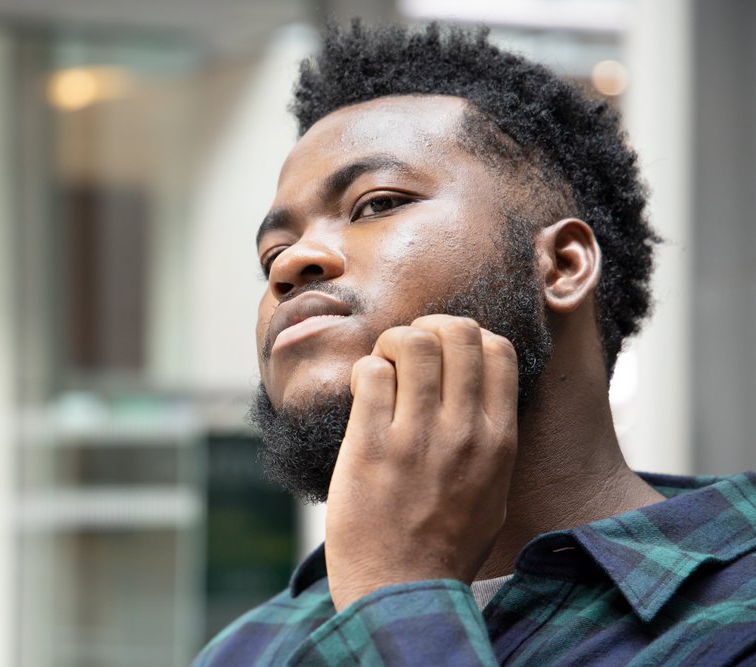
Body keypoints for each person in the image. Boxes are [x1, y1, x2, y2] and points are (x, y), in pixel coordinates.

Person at [193, 21, 756, 666]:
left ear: (563, 264)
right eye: (272, 254)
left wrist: (397, 589)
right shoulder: (247, 651)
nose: (293, 264)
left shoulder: (735, 617)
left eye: (377, 204)